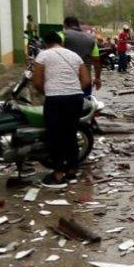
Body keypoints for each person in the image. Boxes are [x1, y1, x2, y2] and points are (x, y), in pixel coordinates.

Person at [31, 31, 90, 189]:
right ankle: (72, 170)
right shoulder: (74, 55)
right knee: (70, 134)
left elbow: (36, 81)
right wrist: (73, 89)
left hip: (55, 99)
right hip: (75, 99)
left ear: (46, 43)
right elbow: (86, 80)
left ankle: (58, 175)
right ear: (60, 43)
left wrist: (49, 91)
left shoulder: (43, 55)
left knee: (55, 136)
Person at [62, 16, 101, 95]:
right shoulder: (91, 39)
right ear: (78, 25)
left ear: (65, 25)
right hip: (86, 80)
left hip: (65, 81)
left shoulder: (61, 35)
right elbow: (97, 60)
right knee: (85, 105)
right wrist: (97, 78)